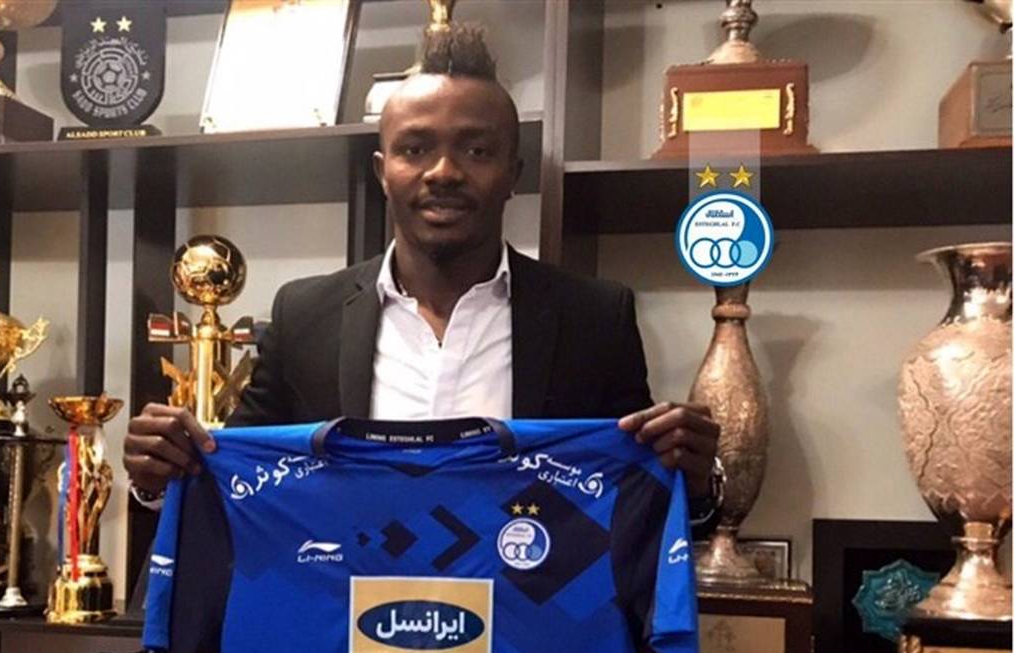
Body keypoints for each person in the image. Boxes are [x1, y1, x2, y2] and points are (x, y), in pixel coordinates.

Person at [124, 26, 721, 519]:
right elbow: (236, 483)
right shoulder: (305, 317)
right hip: (350, 622)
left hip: (527, 624)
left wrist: (693, 481)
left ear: (513, 174)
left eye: (476, 150)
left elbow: (637, 496)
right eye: (415, 149)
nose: (443, 172)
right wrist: (159, 475)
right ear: (382, 172)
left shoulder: (595, 318)